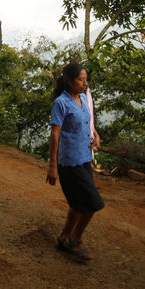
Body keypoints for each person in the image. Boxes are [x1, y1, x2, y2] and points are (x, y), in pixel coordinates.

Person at [46, 62, 103, 262]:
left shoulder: (83, 99)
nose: (84, 83)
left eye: (86, 80)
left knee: (78, 203)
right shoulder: (61, 103)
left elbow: (88, 123)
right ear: (70, 81)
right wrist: (52, 166)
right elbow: (55, 134)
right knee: (92, 203)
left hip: (84, 158)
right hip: (69, 162)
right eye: (81, 80)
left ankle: (64, 237)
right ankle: (75, 238)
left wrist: (95, 135)